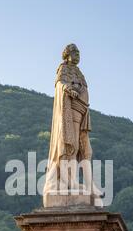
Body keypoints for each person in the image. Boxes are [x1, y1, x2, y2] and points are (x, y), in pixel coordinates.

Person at [43, 44, 103, 200]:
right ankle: (69, 181)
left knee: (85, 150)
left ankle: (85, 184)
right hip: (71, 112)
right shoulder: (63, 69)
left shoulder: (78, 72)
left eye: (79, 53)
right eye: (75, 53)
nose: (77, 56)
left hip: (83, 113)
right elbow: (60, 84)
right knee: (71, 146)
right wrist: (68, 89)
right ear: (67, 55)